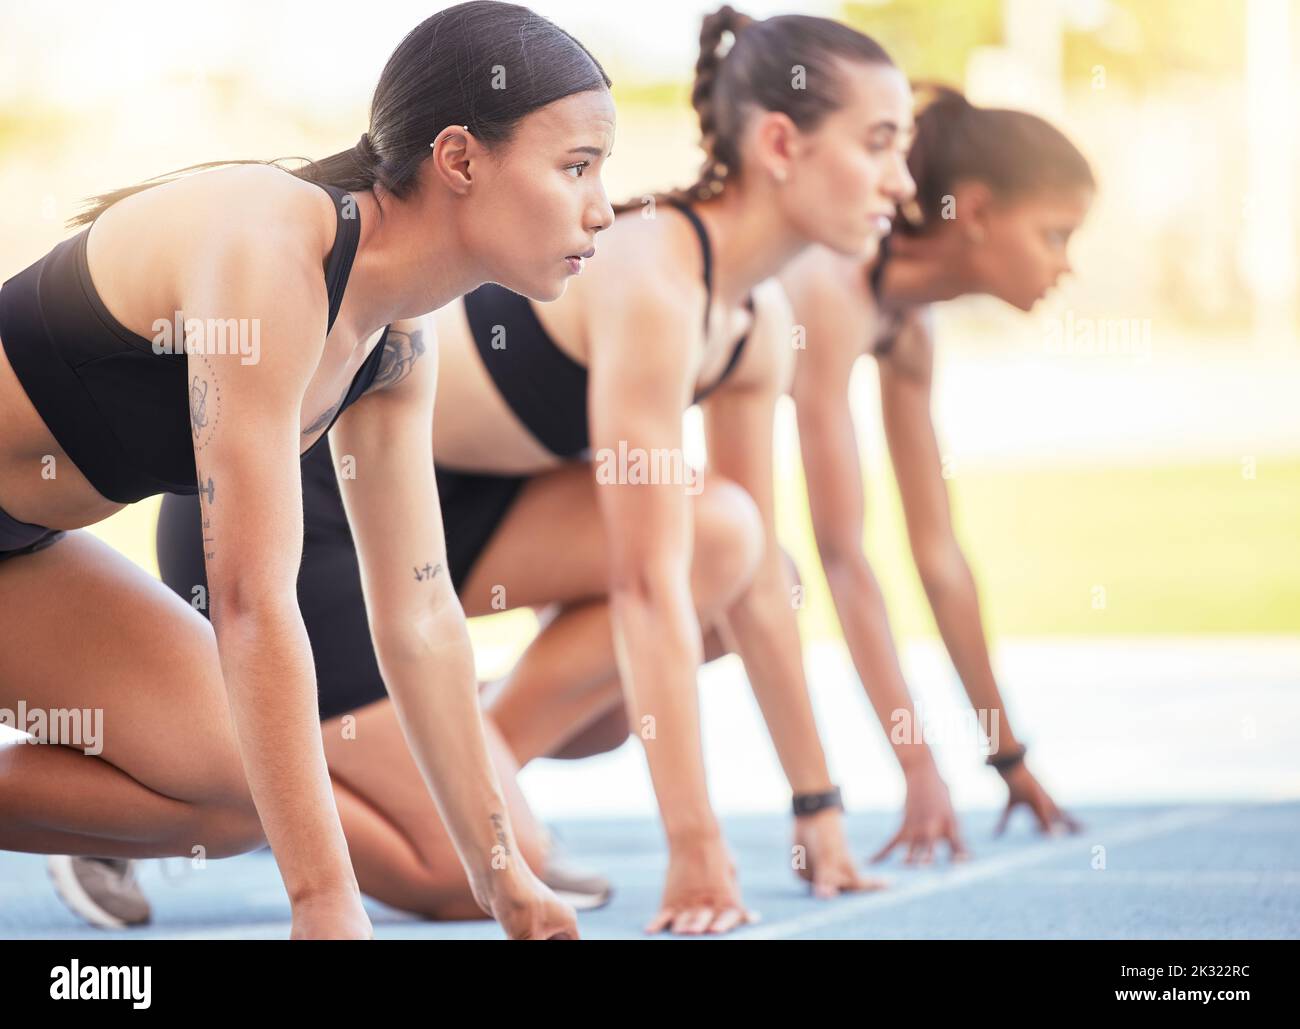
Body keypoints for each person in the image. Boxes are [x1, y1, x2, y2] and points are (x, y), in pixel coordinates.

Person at [153, 3, 915, 936]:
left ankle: (461, 761)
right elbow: (642, 586)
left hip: (449, 523)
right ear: (782, 142)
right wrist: (694, 844)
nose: (904, 181)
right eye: (880, 143)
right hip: (318, 520)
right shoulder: (652, 280)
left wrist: (817, 809)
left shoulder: (754, 328)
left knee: (736, 545)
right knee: (452, 871)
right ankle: (201, 775)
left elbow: (751, 588)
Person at [5, 0, 614, 939]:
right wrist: (325, 902)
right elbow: (250, 595)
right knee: (275, 789)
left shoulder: (396, 342)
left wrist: (503, 877)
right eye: (576, 166)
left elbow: (418, 616)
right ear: (458, 159)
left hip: (22, 546)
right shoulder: (269, 246)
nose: (602, 207)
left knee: (241, 790)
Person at [778, 84, 1095, 862]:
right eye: (1055, 235)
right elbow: (843, 554)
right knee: (731, 574)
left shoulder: (908, 328)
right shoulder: (829, 283)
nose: (1067, 267)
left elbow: (939, 558)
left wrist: (1006, 753)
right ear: (977, 212)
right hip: (540, 441)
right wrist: (917, 767)